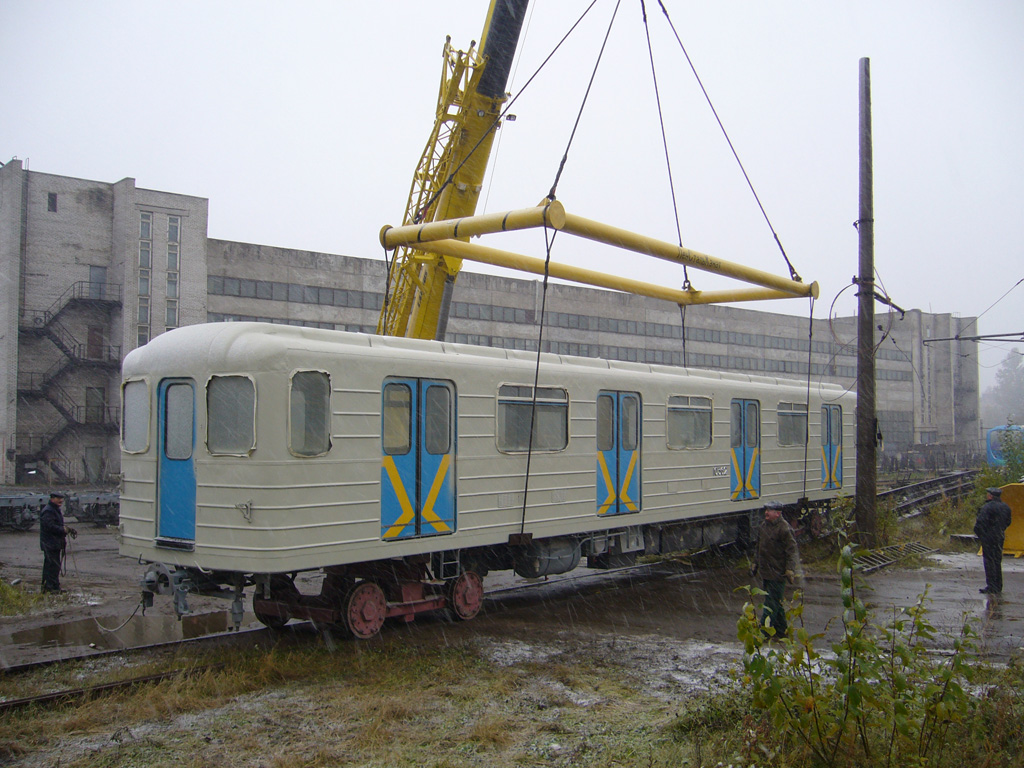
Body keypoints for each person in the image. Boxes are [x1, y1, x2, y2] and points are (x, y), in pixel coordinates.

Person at [751, 500, 799, 638]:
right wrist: (755, 563)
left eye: (769, 510)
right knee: (776, 602)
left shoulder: (784, 529)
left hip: (778, 572)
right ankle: (781, 630)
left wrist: (790, 569)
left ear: (777, 514)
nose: (766, 512)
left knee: (770, 604)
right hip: (766, 571)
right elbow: (758, 547)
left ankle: (764, 632)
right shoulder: (763, 527)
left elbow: (792, 551)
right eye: (766, 510)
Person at [974, 487, 1012, 595]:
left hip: (988, 538)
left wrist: (982, 535)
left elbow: (980, 523)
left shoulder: (987, 507)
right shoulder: (1005, 507)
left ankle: (991, 586)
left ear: (990, 496)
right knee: (997, 561)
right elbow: (1008, 521)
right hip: (999, 536)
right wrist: (999, 530)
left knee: (989, 562)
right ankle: (998, 586)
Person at [39, 491, 76, 593]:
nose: (61, 501)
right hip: (49, 543)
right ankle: (49, 587)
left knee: (55, 566)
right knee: (51, 566)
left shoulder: (54, 510)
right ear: (52, 499)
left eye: (61, 499)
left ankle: (54, 587)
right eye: (58, 498)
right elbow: (49, 526)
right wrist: (63, 530)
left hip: (54, 543)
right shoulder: (48, 511)